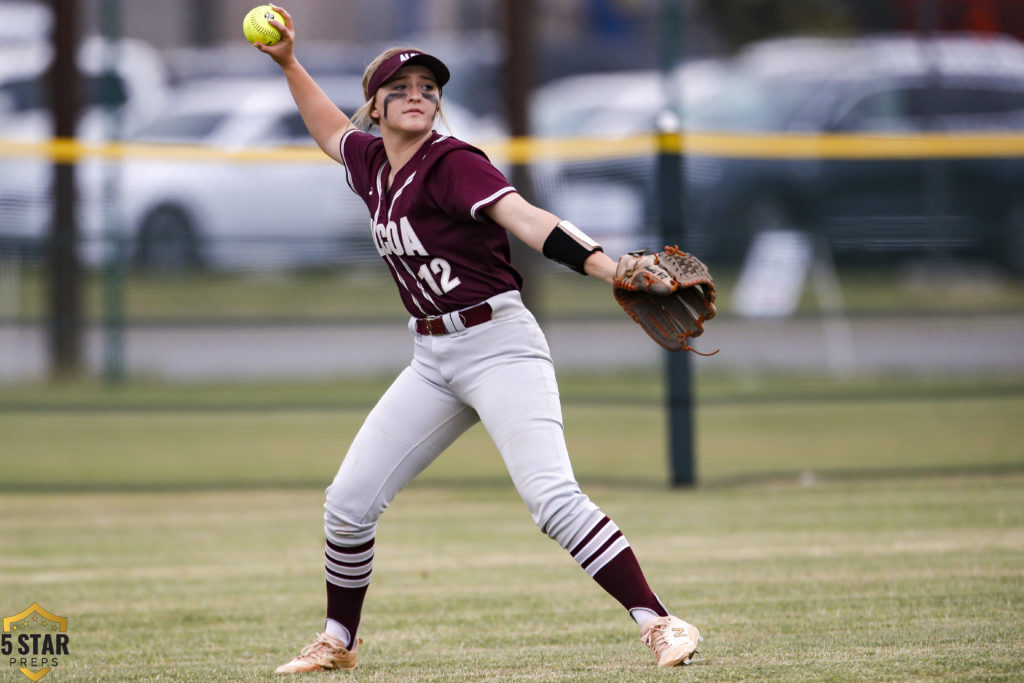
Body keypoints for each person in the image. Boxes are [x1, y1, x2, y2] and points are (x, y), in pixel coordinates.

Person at [255, 6, 702, 673]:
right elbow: (327, 129)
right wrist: (289, 63)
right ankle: (337, 642)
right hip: (433, 357)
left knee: (551, 497)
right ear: (373, 108)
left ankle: (660, 622)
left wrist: (615, 269)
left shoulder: (453, 161)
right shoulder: (372, 162)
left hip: (499, 344)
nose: (417, 97)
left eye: (428, 88)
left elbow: (528, 219)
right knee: (347, 504)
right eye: (400, 89)